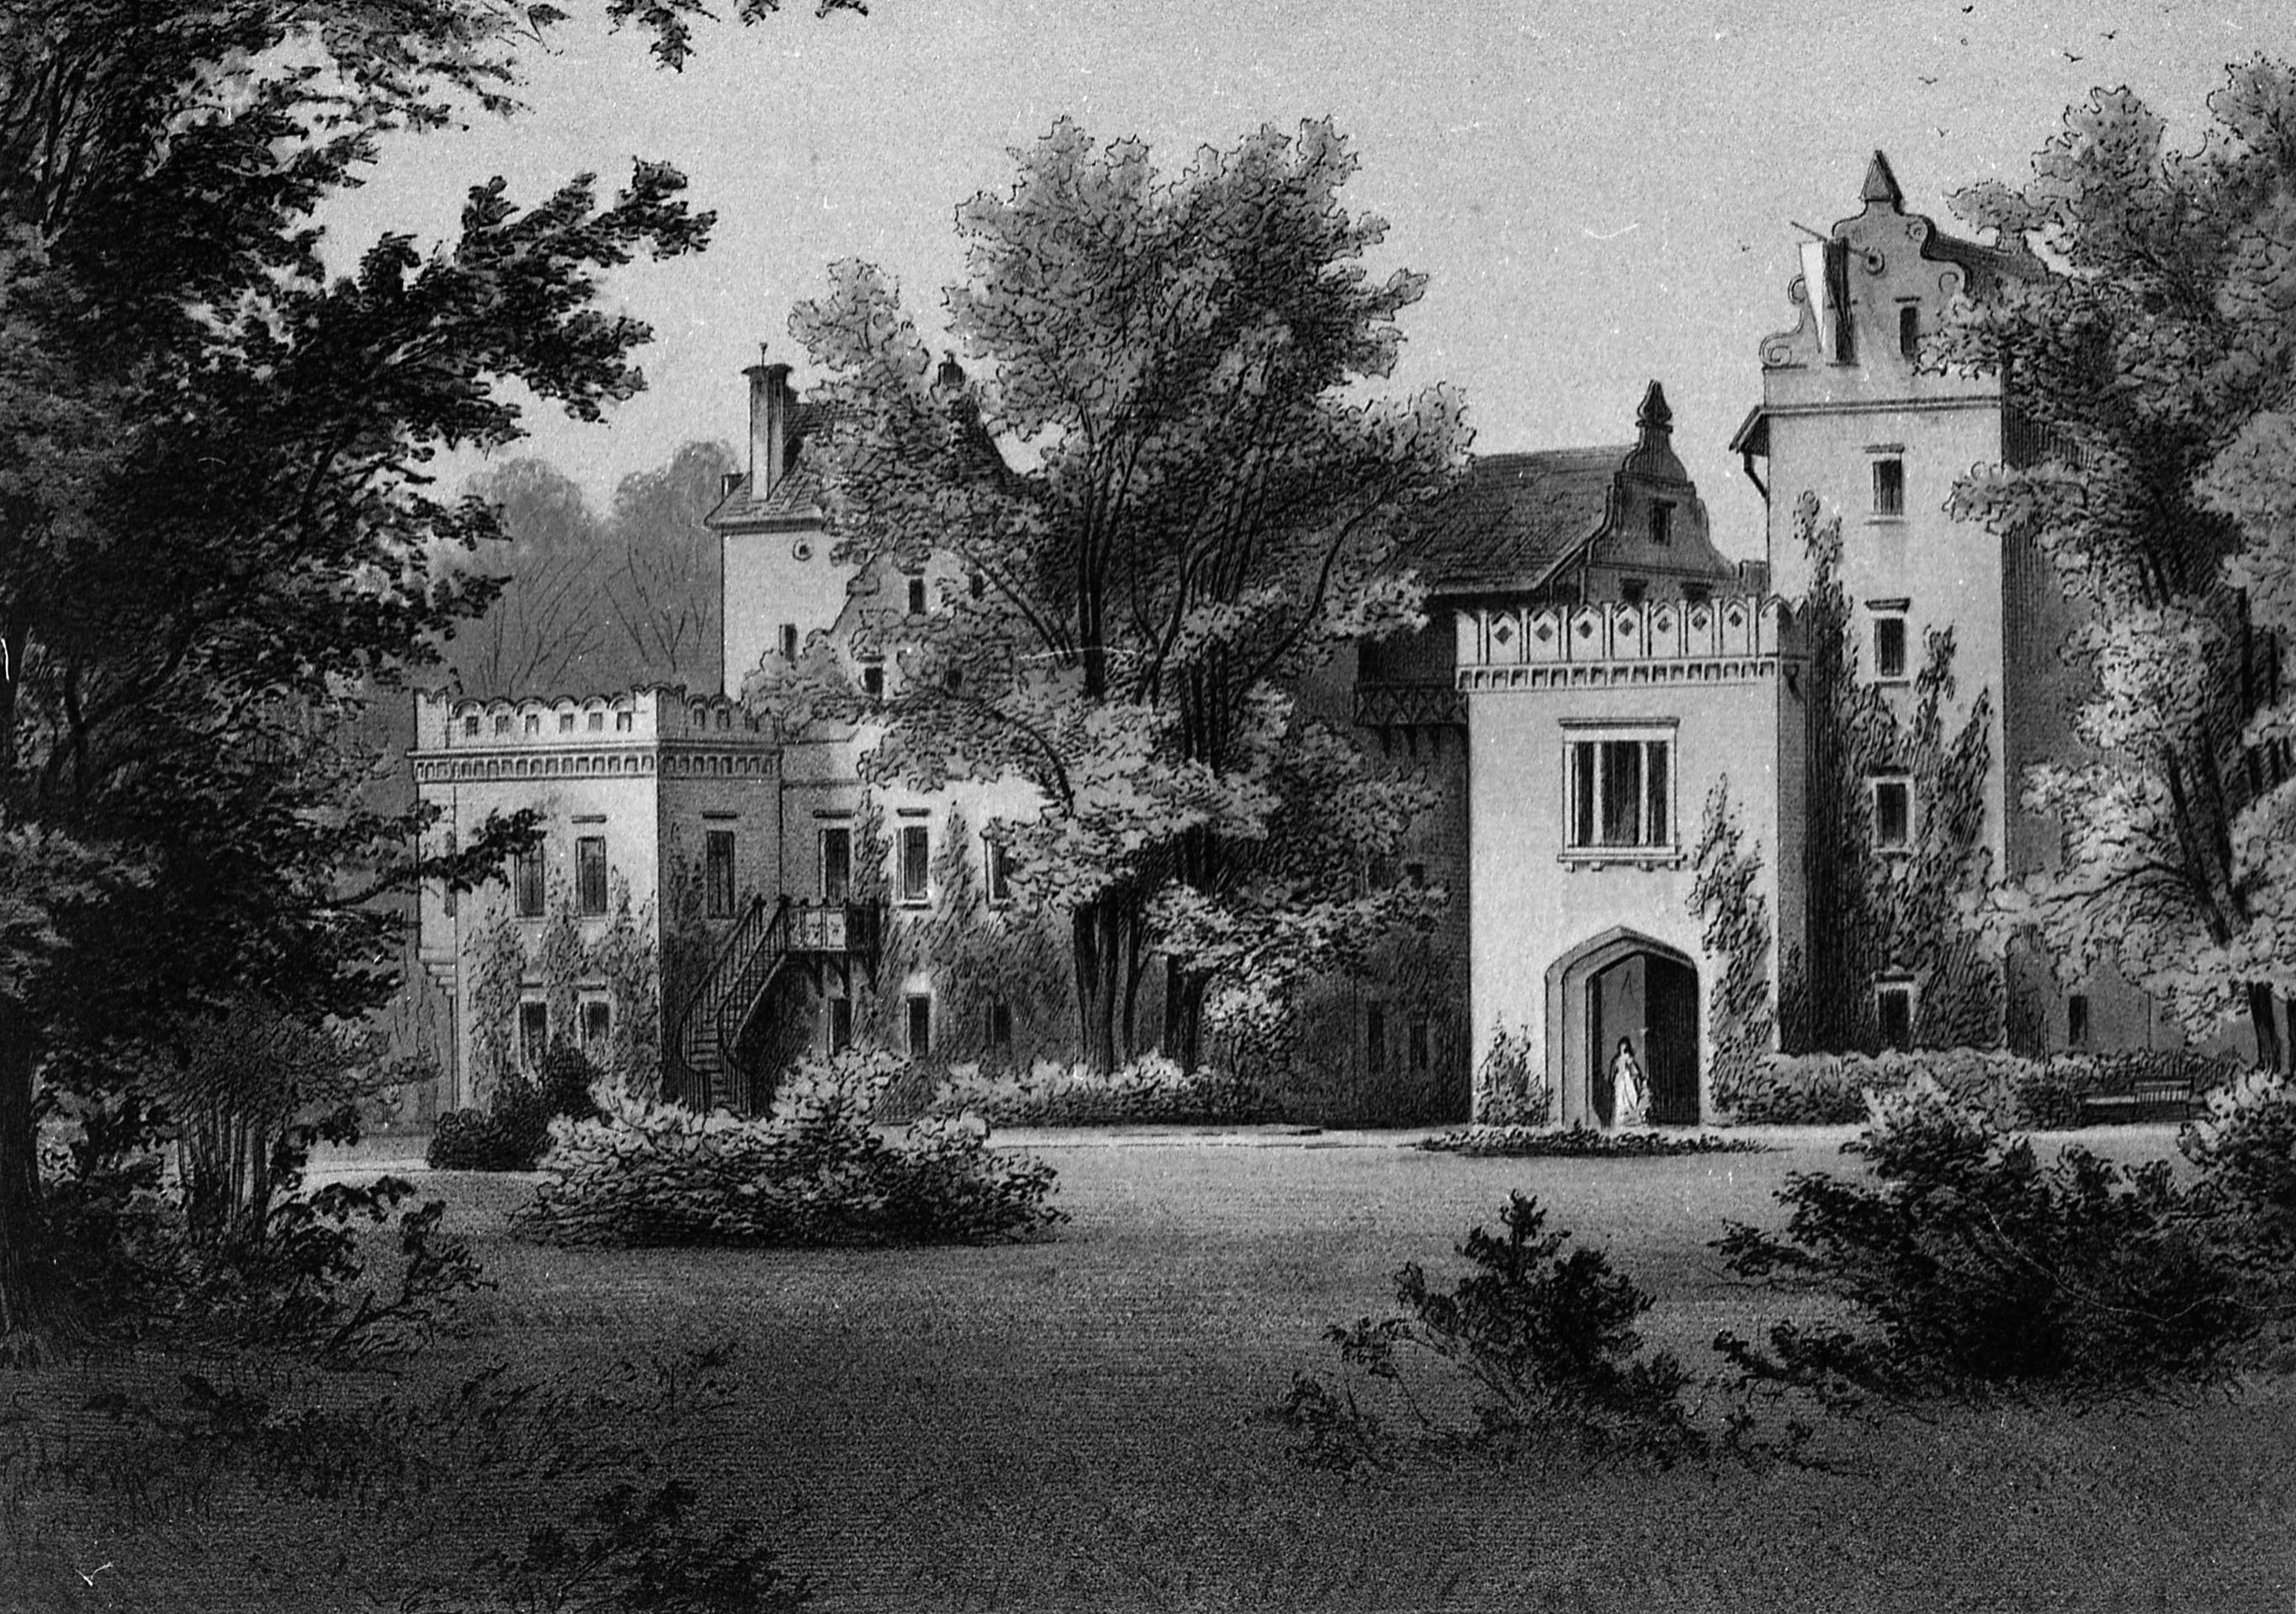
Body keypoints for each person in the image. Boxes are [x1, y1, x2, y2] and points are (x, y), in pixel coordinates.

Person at [1609, 1037, 1649, 1131]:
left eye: (1624, 1047)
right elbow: (1612, 1072)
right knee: (1619, 1101)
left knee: (1630, 1100)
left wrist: (1631, 1071)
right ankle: (1619, 1123)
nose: (1622, 1049)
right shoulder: (1616, 1060)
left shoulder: (1629, 1058)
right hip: (1619, 1082)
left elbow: (1634, 1072)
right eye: (1621, 1047)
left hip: (1627, 1081)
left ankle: (1631, 1121)